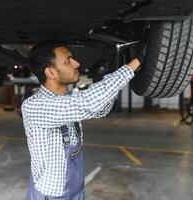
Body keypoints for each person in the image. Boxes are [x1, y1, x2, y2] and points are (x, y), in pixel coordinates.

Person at [21, 41, 141, 200]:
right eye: (68, 61)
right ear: (51, 73)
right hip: (52, 194)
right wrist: (134, 64)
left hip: (75, 190)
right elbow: (89, 102)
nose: (77, 63)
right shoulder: (34, 106)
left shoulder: (68, 98)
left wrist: (110, 75)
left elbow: (100, 109)